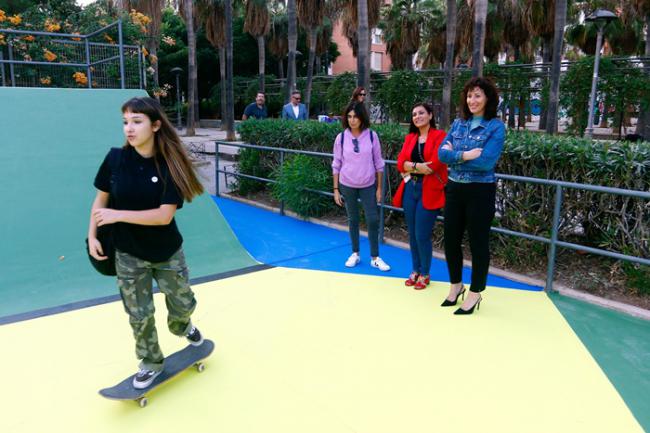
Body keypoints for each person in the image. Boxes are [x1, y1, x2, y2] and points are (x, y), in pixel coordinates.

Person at [88, 97, 206, 388]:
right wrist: (92, 235)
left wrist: (117, 215)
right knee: (138, 314)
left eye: (137, 121)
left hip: (167, 252)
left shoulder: (170, 165)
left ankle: (182, 325)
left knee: (183, 303)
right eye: (125, 122)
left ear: (155, 126)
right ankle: (150, 362)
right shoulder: (115, 159)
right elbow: (100, 201)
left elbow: (163, 216)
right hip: (128, 254)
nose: (129, 128)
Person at [438, 77, 505, 315]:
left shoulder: (495, 127)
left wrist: (454, 155)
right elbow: (440, 154)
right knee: (451, 240)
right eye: (469, 95)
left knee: (478, 243)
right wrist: (465, 156)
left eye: (477, 95)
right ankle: (456, 285)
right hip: (455, 189)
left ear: (488, 98)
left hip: (480, 191)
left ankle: (475, 293)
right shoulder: (458, 124)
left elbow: (486, 162)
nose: (472, 100)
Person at [392, 103, 447, 290]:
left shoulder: (440, 136)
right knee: (412, 234)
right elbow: (400, 163)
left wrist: (411, 165)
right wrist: (416, 167)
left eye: (421, 113)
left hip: (429, 190)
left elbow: (435, 163)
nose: (417, 116)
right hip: (410, 188)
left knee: (422, 235)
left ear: (430, 115)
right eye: (414, 114)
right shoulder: (410, 138)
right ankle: (415, 269)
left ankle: (425, 273)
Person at [332, 101, 390, 272]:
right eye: (349, 117)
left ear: (362, 117)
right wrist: (335, 190)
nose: (352, 120)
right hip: (347, 184)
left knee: (372, 219)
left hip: (368, 185)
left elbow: (379, 164)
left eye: (355, 116)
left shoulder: (372, 136)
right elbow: (336, 164)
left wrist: (379, 188)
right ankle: (355, 253)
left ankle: (375, 257)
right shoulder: (341, 138)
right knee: (353, 219)